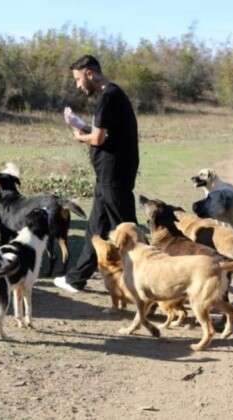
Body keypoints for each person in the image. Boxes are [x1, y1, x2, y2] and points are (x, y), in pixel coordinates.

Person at [54, 55, 140, 293]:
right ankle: (76, 279)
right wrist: (80, 125)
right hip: (108, 175)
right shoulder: (112, 95)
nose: (78, 85)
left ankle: (155, 282)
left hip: (114, 174)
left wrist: (79, 136)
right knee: (95, 228)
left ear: (89, 74)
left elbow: (98, 138)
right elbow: (104, 133)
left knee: (128, 233)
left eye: (78, 79)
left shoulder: (108, 97)